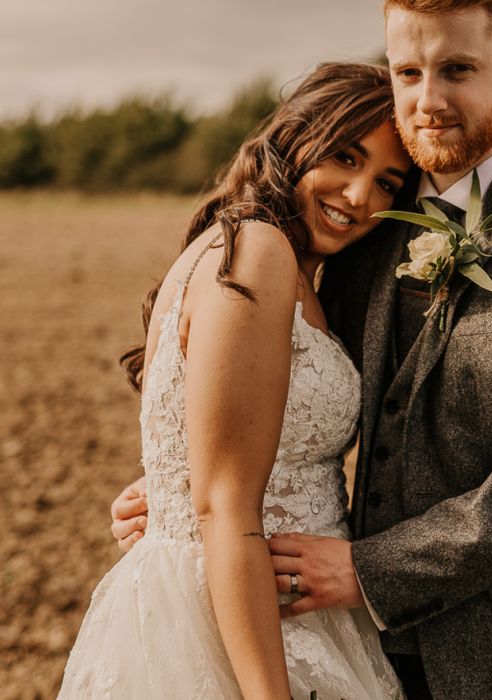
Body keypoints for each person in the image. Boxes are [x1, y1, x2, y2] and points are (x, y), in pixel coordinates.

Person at [113, 2, 492, 698]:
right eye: (409, 71)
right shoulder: (363, 225)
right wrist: (188, 482)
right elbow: (284, 384)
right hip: (366, 655)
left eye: (457, 69)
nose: (427, 100)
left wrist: (368, 572)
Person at [59, 62, 410, 699]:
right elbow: (224, 507)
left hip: (291, 610)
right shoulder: (257, 250)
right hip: (236, 630)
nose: (361, 196)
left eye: (386, 182)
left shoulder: (286, 264)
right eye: (344, 157)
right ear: (296, 137)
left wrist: (169, 493)